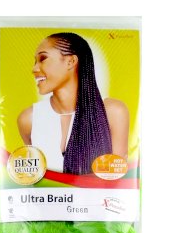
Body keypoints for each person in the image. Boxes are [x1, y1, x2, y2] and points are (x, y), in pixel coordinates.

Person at [17, 32, 129, 175]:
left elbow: (118, 178)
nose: (34, 69)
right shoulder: (28, 119)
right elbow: (35, 177)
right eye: (35, 62)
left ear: (70, 61)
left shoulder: (113, 112)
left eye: (43, 58)